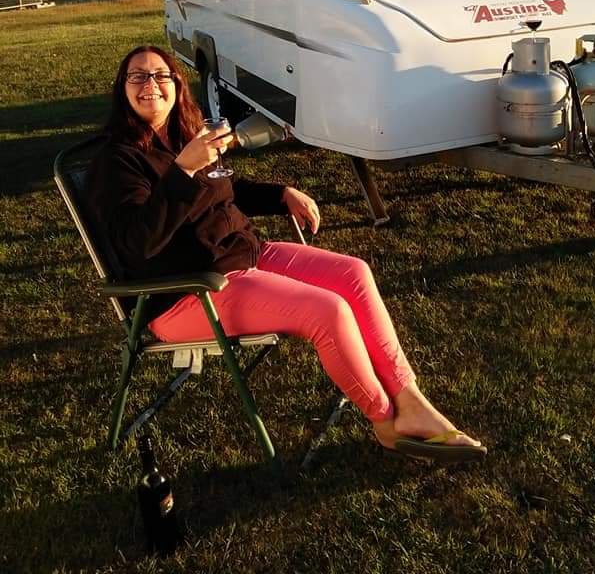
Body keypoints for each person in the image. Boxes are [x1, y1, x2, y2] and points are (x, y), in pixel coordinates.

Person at [88, 45, 486, 462]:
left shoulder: (181, 135)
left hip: (243, 255)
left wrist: (280, 194)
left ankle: (412, 401)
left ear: (176, 85)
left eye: (161, 75)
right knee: (327, 311)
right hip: (188, 291)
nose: (150, 85)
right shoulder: (115, 162)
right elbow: (138, 242)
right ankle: (386, 421)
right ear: (122, 89)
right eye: (138, 76)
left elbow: (226, 189)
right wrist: (183, 170)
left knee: (354, 273)